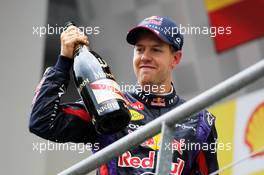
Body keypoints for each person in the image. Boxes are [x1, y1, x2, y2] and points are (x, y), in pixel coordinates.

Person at [29, 16, 218, 175]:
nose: (145, 56)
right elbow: (43, 121)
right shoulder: (110, 103)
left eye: (156, 49)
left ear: (175, 58)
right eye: (140, 49)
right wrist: (63, 62)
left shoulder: (199, 120)